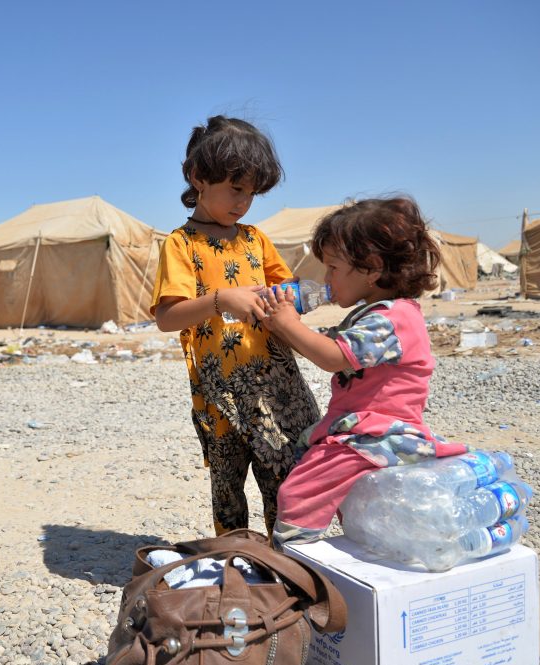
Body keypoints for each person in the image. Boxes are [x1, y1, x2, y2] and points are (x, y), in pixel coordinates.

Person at [263, 196, 469, 547]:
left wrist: (286, 323)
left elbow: (331, 357)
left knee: (300, 492)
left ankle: (290, 569)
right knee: (356, 506)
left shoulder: (392, 319)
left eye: (332, 268)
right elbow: (330, 347)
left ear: (372, 268)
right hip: (363, 431)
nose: (326, 278)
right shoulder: (379, 314)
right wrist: (284, 325)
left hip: (378, 434)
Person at [152, 115, 321, 538]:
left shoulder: (255, 239)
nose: (243, 202)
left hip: (275, 383)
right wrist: (220, 299)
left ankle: (288, 567)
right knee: (228, 488)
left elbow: (288, 292)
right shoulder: (181, 244)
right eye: (234, 188)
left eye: (251, 192)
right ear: (198, 177)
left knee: (286, 480)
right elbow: (167, 317)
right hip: (221, 391)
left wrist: (293, 300)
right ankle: (237, 569)